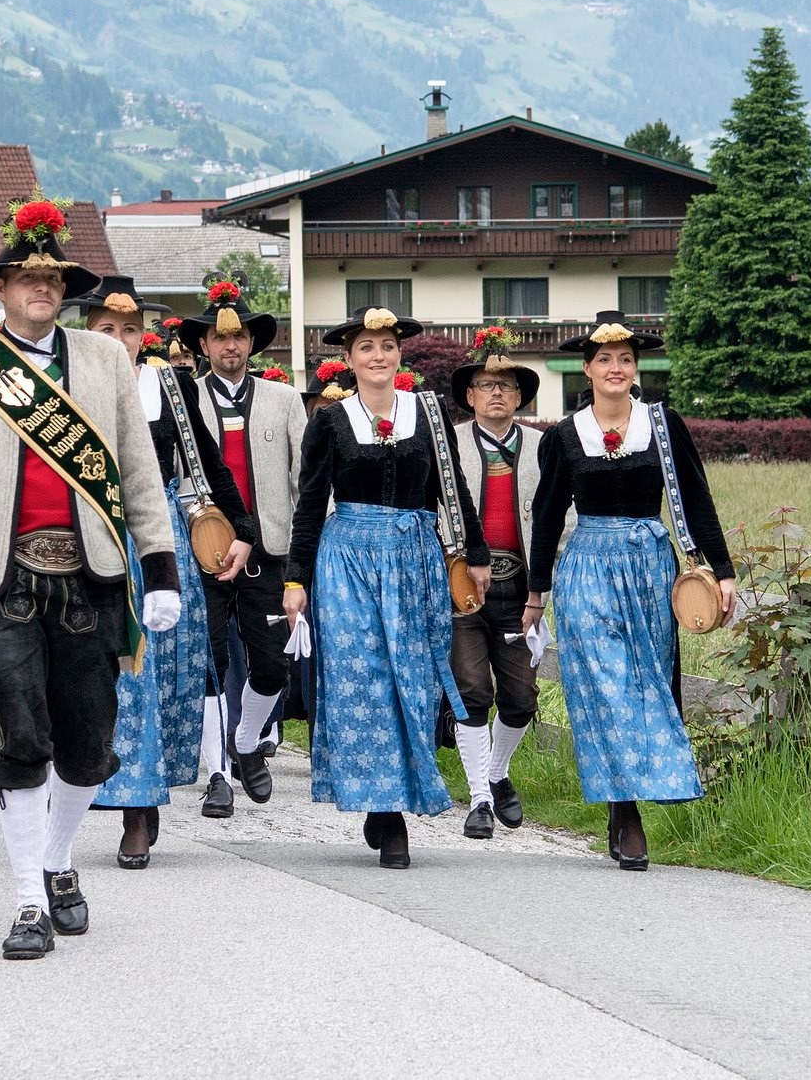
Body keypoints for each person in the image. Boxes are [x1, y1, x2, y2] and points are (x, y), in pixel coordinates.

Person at [0, 194, 183, 959]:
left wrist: (159, 570)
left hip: (91, 575)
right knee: (21, 739)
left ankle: (59, 858)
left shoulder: (104, 360)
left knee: (88, 747)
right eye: (28, 278)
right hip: (3, 583)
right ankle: (29, 898)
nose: (42, 288)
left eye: (53, 279)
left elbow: (139, 473)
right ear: (0, 288)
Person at [283, 306, 491, 870]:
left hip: (415, 559)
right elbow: (310, 503)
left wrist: (475, 554)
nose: (378, 356)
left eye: (387, 346)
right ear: (348, 359)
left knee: (413, 682)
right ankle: (386, 809)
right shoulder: (329, 421)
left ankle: (393, 794)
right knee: (364, 681)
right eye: (366, 347)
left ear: (400, 354)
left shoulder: (429, 413)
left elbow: (452, 489)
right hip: (347, 561)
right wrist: (296, 578)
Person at [528, 312, 733, 871]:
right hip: (588, 569)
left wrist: (723, 570)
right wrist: (536, 593)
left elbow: (696, 498)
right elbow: (547, 516)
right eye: (605, 359)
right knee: (606, 687)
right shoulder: (566, 435)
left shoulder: (662, 425)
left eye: (625, 359)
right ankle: (626, 812)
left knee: (644, 687)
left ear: (635, 367)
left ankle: (630, 800)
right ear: (587, 369)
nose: (615, 368)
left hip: (650, 571)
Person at [73, 276, 253, 868]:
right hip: (92, 538)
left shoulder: (170, 386)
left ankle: (143, 800)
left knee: (159, 675)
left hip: (161, 542)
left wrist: (243, 531)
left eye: (130, 329)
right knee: (114, 676)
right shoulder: (66, 385)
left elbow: (209, 464)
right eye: (107, 328)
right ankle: (124, 802)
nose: (119, 339)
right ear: (87, 331)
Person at [176, 277, 307, 816]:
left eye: (239, 337)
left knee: (273, 665)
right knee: (210, 662)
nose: (229, 346)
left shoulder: (284, 399)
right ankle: (217, 774)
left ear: (252, 343)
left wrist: (301, 557)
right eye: (219, 337)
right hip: (203, 549)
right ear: (203, 345)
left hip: (269, 550)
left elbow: (303, 480)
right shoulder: (183, 398)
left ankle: (247, 740)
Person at [447, 327, 553, 839]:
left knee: (521, 698)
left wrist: (542, 590)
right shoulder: (449, 444)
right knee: (471, 690)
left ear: (519, 397)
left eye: (506, 386)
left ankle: (497, 770)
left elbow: (560, 518)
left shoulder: (543, 446)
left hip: (521, 592)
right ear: (470, 396)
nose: (496, 393)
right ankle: (480, 799)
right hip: (462, 588)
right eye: (486, 385)